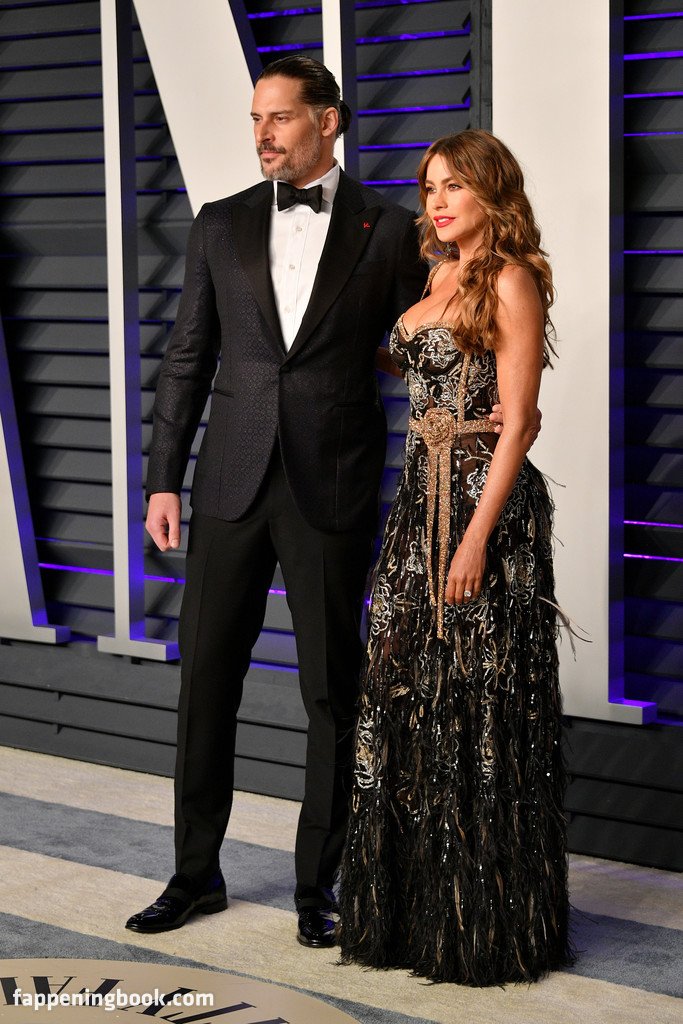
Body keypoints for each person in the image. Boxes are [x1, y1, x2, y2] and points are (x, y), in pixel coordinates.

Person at [124, 55, 431, 949]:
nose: (262, 134)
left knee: (332, 692)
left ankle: (317, 886)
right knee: (203, 684)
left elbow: (420, 351)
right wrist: (162, 477)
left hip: (331, 484)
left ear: (327, 121)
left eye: (280, 117)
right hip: (228, 480)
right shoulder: (218, 223)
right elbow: (188, 356)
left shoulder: (390, 230)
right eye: (255, 118)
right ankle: (194, 876)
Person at [338, 129, 572, 984]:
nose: (435, 202)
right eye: (429, 187)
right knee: (401, 689)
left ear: (490, 193)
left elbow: (519, 422)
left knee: (478, 701)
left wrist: (474, 537)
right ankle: (407, 916)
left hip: (483, 511)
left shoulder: (510, 279)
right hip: (415, 504)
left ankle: (481, 925)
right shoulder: (434, 274)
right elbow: (408, 365)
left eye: (453, 187)